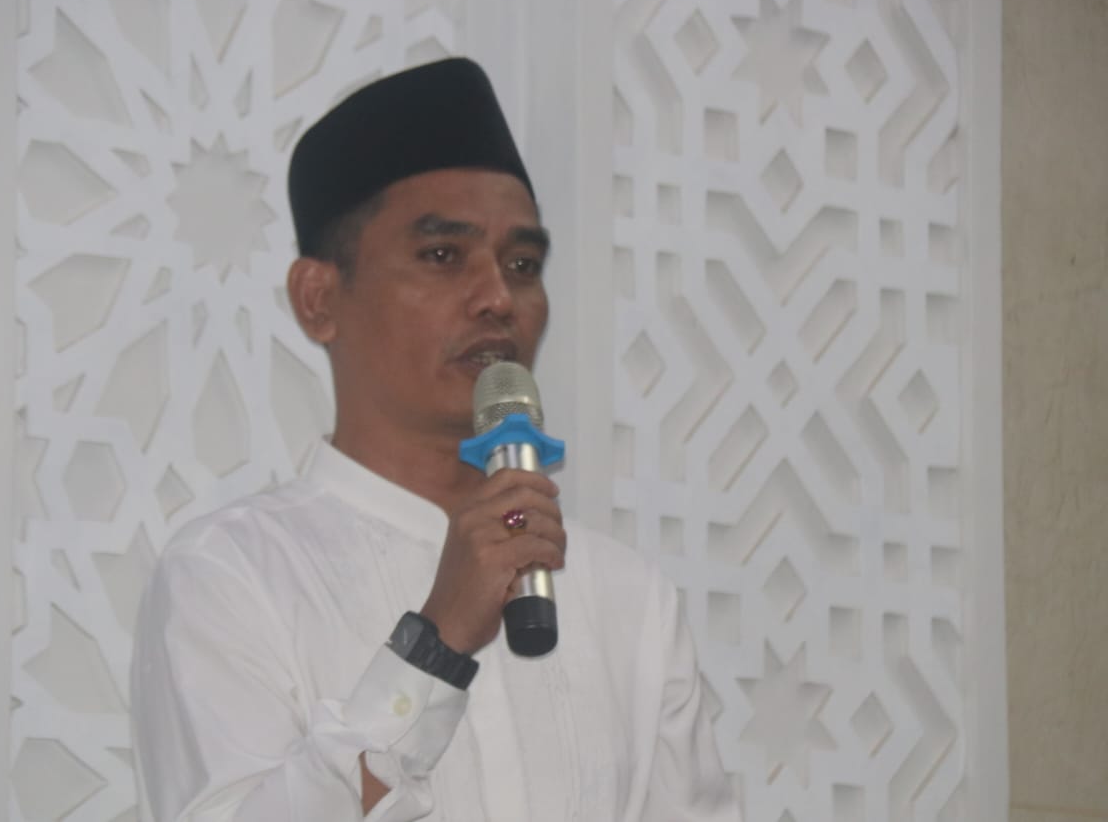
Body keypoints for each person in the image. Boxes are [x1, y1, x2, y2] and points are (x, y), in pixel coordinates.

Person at [130, 57, 739, 821]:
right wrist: (435, 645)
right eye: (443, 255)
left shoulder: (630, 601)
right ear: (319, 299)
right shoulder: (230, 576)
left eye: (522, 264)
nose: (498, 297)